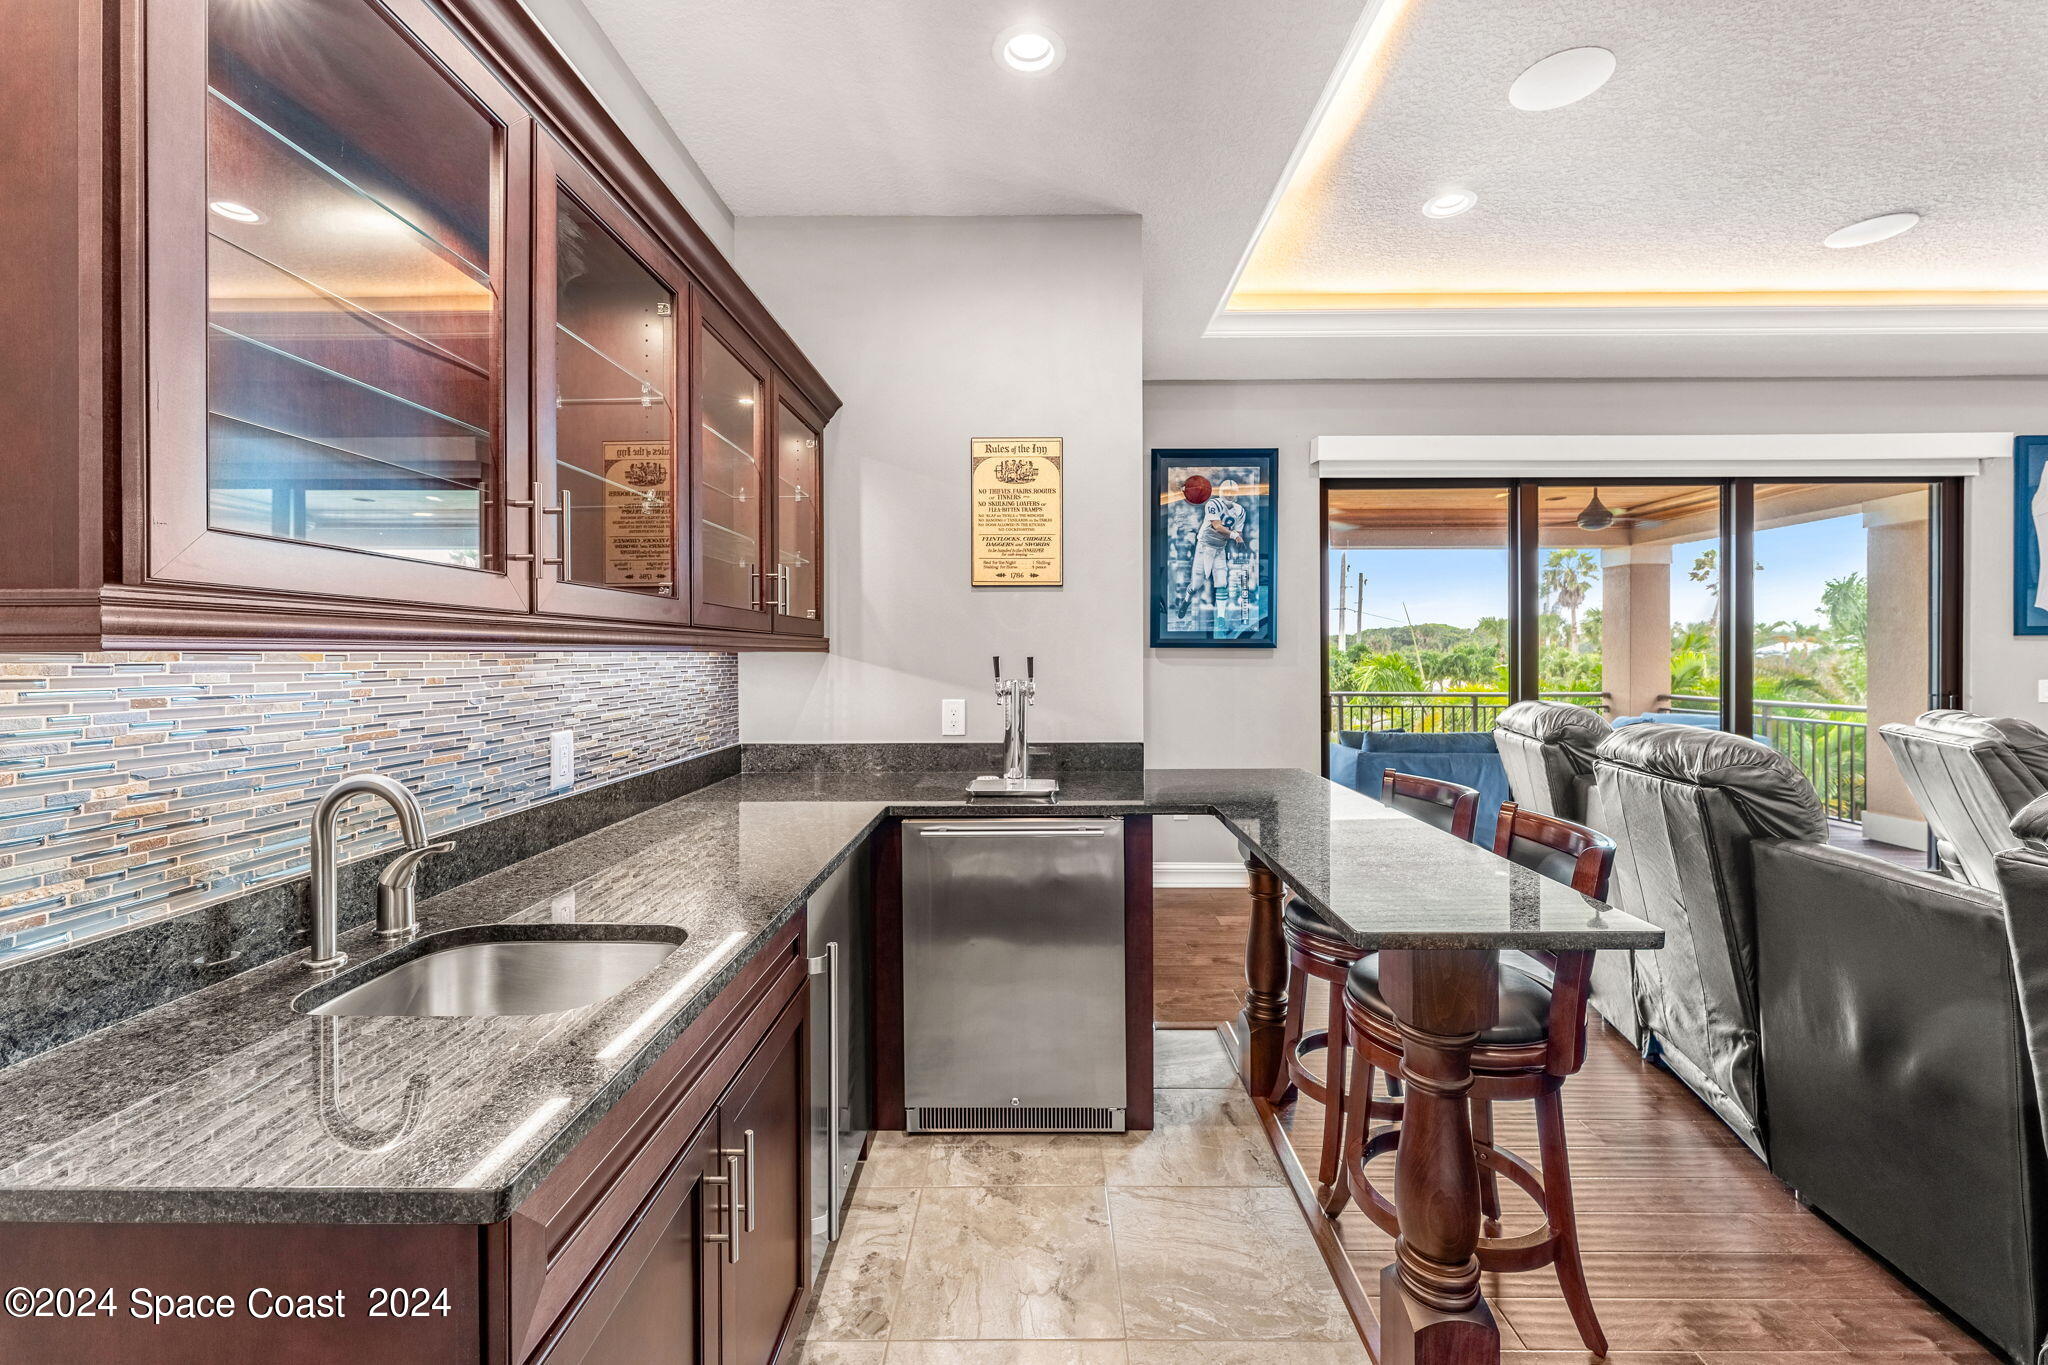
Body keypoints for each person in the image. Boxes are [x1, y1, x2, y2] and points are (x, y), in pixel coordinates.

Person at [1186, 479, 1248, 621]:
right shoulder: (1213, 504)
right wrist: (1234, 536)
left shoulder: (1240, 511)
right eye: (1226, 492)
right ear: (1221, 492)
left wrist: (1239, 539)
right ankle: (1187, 598)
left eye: (1232, 492)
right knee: (1197, 584)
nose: (1229, 495)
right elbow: (1217, 526)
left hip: (1220, 548)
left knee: (1221, 582)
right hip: (1204, 546)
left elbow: (1239, 532)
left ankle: (1220, 618)